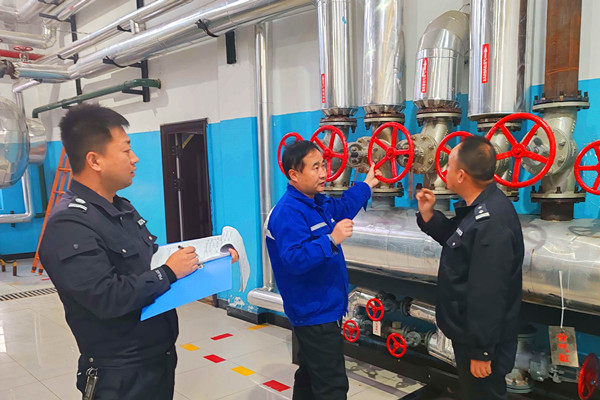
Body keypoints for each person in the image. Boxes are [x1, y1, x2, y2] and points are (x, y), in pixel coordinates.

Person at [39, 104, 238, 400]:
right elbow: (106, 297)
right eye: (126, 150)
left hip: (155, 359)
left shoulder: (121, 209)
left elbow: (150, 259)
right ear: (94, 160)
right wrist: (168, 273)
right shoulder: (69, 224)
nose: (135, 158)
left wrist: (212, 257)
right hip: (120, 373)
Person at [266, 140, 381, 400]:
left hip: (322, 308)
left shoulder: (316, 203)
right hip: (314, 313)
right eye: (315, 167)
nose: (323, 173)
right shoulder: (288, 212)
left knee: (309, 376)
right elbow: (294, 259)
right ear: (294, 175)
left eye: (323, 165)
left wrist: (366, 185)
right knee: (332, 386)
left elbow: (342, 207)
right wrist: (331, 240)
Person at [415, 135, 524, 400]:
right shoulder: (481, 207)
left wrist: (482, 351)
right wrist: (428, 214)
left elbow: (487, 293)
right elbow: (457, 239)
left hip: (483, 341)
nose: (445, 170)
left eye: (449, 166)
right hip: (472, 335)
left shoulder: (491, 223)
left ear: (461, 175)